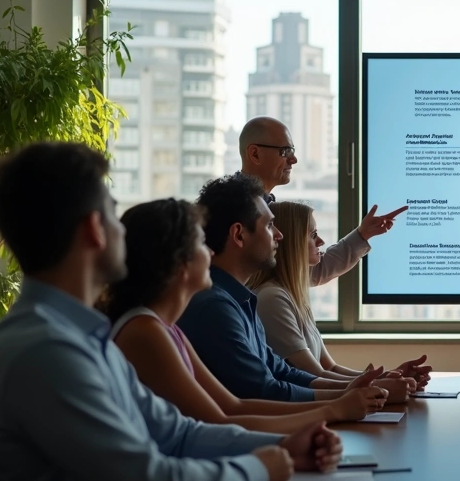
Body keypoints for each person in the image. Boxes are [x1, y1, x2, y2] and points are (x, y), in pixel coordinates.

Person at [0, 142, 343, 481]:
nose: (124, 231)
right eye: (114, 215)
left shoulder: (81, 337)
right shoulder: (46, 351)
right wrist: (261, 468)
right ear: (94, 230)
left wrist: (283, 447)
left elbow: (179, 435)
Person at [104, 198, 391, 433]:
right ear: (178, 261)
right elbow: (222, 418)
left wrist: (344, 397)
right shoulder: (180, 319)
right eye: (202, 244)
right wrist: (333, 409)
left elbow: (239, 402)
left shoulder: (176, 325)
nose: (211, 252)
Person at [177, 174, 419, 402]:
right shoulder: (219, 307)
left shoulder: (244, 301)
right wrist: (359, 395)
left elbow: (283, 372)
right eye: (269, 226)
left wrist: (367, 387)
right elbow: (264, 392)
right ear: (239, 235)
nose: (279, 235)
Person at [249, 200, 432, 389]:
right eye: (313, 235)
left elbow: (330, 368)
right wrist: (382, 385)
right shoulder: (272, 299)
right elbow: (316, 375)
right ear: (292, 243)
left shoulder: (292, 294)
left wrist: (392, 375)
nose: (321, 242)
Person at [238, 116, 407, 288]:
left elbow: (304, 272)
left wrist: (363, 234)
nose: (293, 159)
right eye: (285, 151)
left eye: (292, 151)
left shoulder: (263, 206)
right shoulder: (234, 211)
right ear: (255, 154)